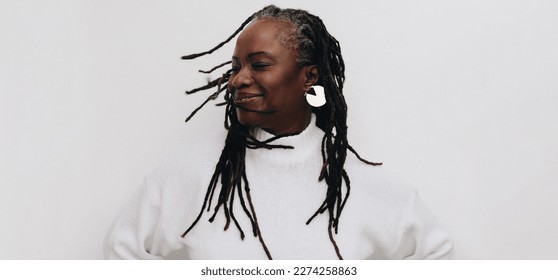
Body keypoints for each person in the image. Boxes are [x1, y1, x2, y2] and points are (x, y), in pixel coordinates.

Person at [104, 5, 452, 260]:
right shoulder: (191, 172)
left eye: (259, 65)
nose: (238, 79)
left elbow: (438, 256)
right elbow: (120, 253)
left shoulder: (359, 181)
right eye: (236, 67)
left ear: (309, 77)